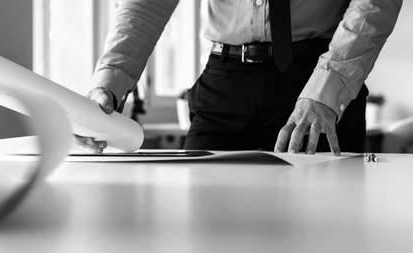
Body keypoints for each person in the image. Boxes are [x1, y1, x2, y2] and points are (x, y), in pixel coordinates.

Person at [79, 0, 402, 155]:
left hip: (316, 83)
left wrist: (326, 91)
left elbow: (375, 3)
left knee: (323, 241)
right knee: (209, 239)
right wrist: (109, 84)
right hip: (225, 83)